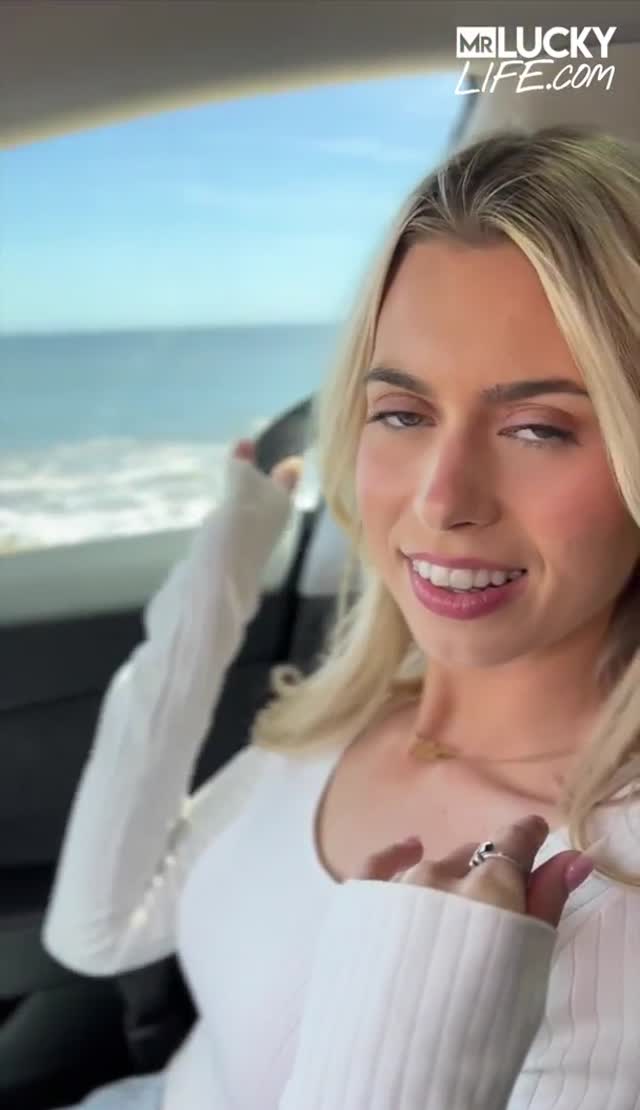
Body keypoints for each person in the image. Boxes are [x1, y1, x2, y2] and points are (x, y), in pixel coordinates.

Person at [42, 124, 640, 1109]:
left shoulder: (613, 879)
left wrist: (413, 1039)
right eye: (402, 413)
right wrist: (221, 573)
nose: (441, 501)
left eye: (539, 428)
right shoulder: (336, 725)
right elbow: (95, 934)